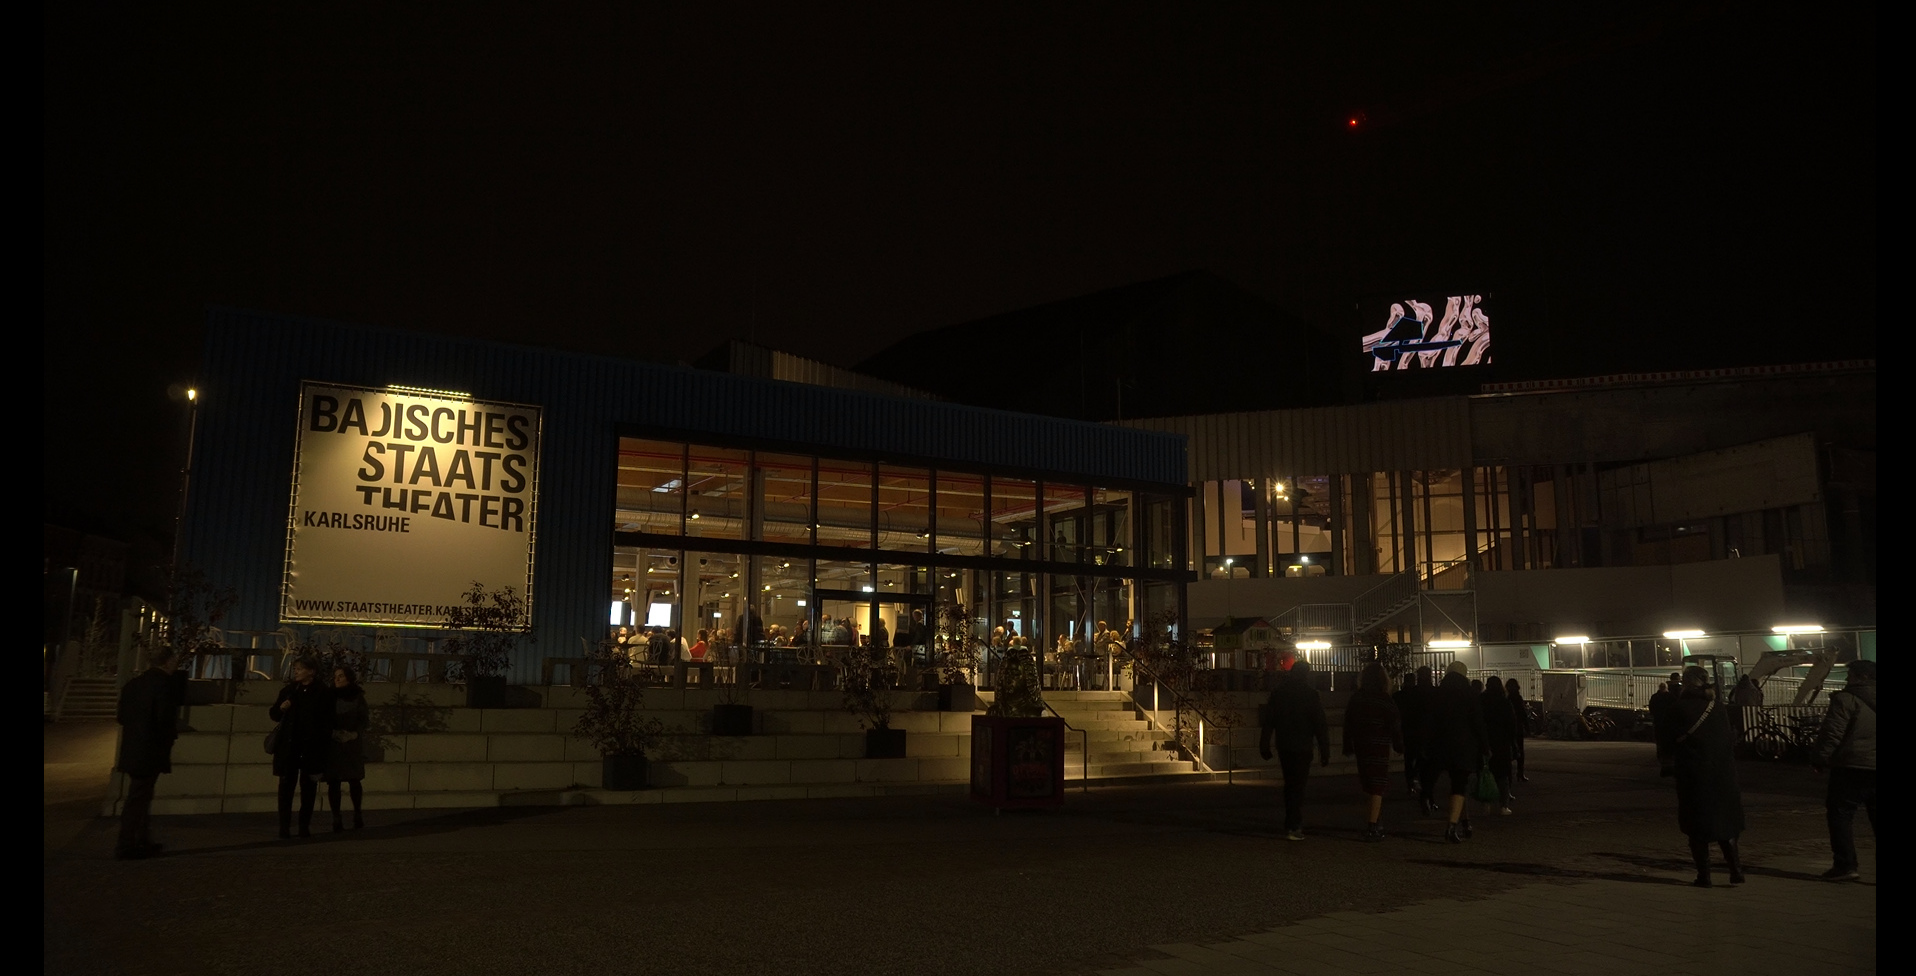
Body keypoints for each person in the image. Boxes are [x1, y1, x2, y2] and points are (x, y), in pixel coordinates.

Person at [1659, 666, 1745, 886]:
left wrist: (1667, 763)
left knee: (1697, 826)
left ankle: (1704, 875)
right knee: (1725, 823)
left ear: (1685, 683)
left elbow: (1666, 739)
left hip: (1694, 775)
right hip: (1723, 774)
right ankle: (1735, 870)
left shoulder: (1679, 708)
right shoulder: (1716, 706)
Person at [114, 646, 187, 859]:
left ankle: (140, 840)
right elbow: (164, 719)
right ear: (167, 662)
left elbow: (121, 717)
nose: (176, 663)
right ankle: (127, 844)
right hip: (150, 750)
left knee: (140, 795)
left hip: (133, 748)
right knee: (139, 798)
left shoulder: (133, 685)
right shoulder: (163, 685)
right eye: (174, 659)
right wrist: (169, 737)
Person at [1811, 659, 1876, 882]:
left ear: (1863, 677)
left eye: (1851, 674)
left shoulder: (1846, 699)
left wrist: (1820, 758)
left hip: (1852, 766)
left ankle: (1846, 865)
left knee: (1840, 815)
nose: (1848, 679)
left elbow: (1832, 732)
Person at [1258, 659, 1331, 841]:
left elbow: (1269, 722)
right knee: (1298, 784)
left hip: (1285, 744)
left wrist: (1264, 744)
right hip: (1303, 745)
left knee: (1290, 782)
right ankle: (1294, 823)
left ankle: (1291, 821)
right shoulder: (1310, 694)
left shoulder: (1279, 693)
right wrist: (1325, 750)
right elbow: (1320, 724)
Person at [1424, 661, 1489, 843]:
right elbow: (1478, 723)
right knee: (1460, 785)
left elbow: (1429, 722)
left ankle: (1428, 798)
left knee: (1433, 777)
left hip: (1439, 745)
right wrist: (1485, 747)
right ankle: (1452, 826)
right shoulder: (1470, 694)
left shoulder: (1437, 693)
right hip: (1463, 747)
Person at [270, 657, 334, 839]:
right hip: (289, 748)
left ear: (311, 671)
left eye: (300, 669)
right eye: (295, 668)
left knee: (308, 789)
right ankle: (284, 827)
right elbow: (274, 714)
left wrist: (321, 750)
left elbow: (326, 723)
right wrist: (282, 708)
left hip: (310, 748)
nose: (296, 672)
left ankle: (304, 826)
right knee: (285, 788)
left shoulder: (322, 692)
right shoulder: (290, 691)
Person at [1343, 663, 1404, 841]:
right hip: (1380, 746)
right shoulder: (1385, 700)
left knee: (1368, 783)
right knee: (1378, 785)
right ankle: (1372, 825)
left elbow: (1349, 723)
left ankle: (1374, 819)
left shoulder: (1357, 699)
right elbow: (1395, 726)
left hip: (1362, 745)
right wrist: (1399, 746)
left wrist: (1348, 745)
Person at [323, 665, 369, 832]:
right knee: (333, 781)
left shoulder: (357, 697)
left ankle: (357, 813)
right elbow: (323, 717)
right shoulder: (329, 696)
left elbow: (364, 719)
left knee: (354, 779)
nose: (337, 679)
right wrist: (332, 732)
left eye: (341, 676)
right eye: (335, 676)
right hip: (333, 743)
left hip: (352, 742)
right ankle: (336, 817)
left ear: (348, 678)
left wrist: (354, 734)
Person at [1395, 668, 1435, 805]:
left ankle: (1412, 782)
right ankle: (1423, 787)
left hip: (1410, 730)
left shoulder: (1411, 693)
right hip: (1428, 731)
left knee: (1410, 757)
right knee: (1425, 760)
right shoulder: (1433, 692)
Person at [1481, 677, 1516, 815]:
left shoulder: (1482, 701)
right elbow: (1511, 724)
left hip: (1486, 742)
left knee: (1486, 774)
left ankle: (1486, 804)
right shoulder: (1504, 702)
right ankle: (1504, 806)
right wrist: (1512, 741)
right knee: (1503, 776)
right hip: (1502, 743)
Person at [1649, 673, 1682, 772]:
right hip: (1668, 722)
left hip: (1658, 721)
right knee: (1668, 739)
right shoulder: (1670, 697)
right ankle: (1669, 757)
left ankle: (1660, 755)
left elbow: (1652, 708)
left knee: (1659, 739)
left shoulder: (1655, 697)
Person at [1506, 678, 1530, 782]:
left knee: (1509, 751)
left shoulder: (1506, 699)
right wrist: (1527, 726)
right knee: (1520, 751)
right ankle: (1520, 773)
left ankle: (1509, 774)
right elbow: (1522, 713)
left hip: (1508, 728)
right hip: (1518, 727)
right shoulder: (1518, 698)